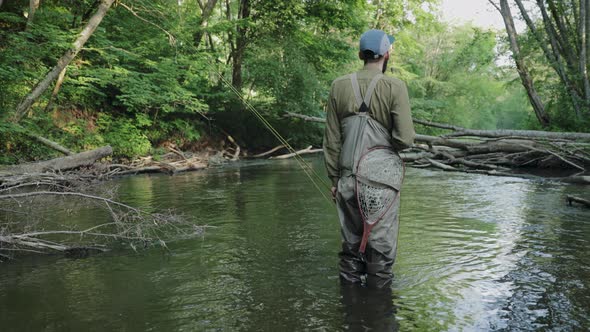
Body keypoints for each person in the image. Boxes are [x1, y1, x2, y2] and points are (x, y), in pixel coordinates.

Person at [323, 29, 415, 288]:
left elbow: (331, 140)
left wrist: (334, 179)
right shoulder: (394, 86)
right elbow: (405, 139)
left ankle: (351, 311)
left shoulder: (338, 85)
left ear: (360, 54)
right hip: (381, 185)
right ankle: (378, 315)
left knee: (351, 249)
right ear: (387, 54)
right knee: (380, 253)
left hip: (347, 180)